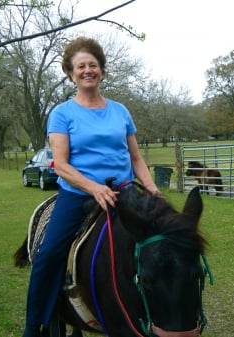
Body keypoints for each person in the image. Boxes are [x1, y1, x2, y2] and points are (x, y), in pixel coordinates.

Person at [22, 37, 160, 337]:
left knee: (164, 240)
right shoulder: (62, 113)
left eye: (93, 65)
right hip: (79, 194)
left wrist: (150, 187)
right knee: (48, 254)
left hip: (124, 191)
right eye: (80, 66)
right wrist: (95, 188)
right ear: (71, 73)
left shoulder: (121, 111)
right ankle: (33, 326)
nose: (88, 70)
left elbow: (135, 157)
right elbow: (61, 164)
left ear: (101, 70)